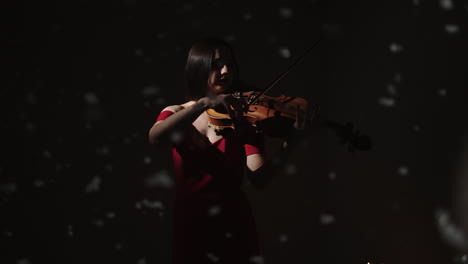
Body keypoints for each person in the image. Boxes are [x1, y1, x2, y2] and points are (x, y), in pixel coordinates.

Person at [148, 38, 310, 264]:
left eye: (230, 65)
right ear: (198, 67)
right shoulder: (177, 112)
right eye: (216, 65)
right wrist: (203, 103)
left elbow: (259, 178)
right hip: (191, 224)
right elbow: (156, 137)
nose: (225, 71)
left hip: (235, 224)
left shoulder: (242, 119)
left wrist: (290, 143)